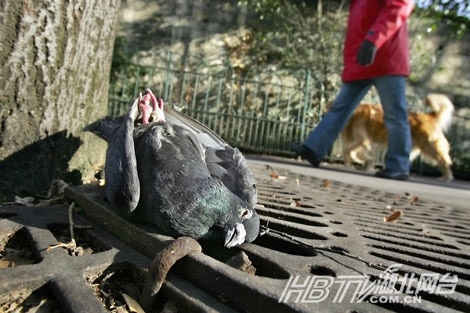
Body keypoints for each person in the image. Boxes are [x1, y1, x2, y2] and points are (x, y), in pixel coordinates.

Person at [293, 0, 415, 181]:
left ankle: (398, 166)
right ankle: (313, 148)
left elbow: (399, 7)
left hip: (386, 58)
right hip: (362, 58)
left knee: (395, 114)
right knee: (340, 107)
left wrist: (373, 39)